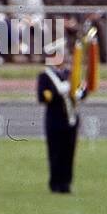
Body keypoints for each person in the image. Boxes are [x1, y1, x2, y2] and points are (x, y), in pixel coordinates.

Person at [37, 45, 84, 193]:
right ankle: (55, 183)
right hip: (55, 120)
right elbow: (43, 97)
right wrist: (57, 93)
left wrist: (80, 93)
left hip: (70, 119)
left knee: (69, 152)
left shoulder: (71, 74)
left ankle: (66, 183)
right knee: (55, 153)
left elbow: (82, 89)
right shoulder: (45, 76)